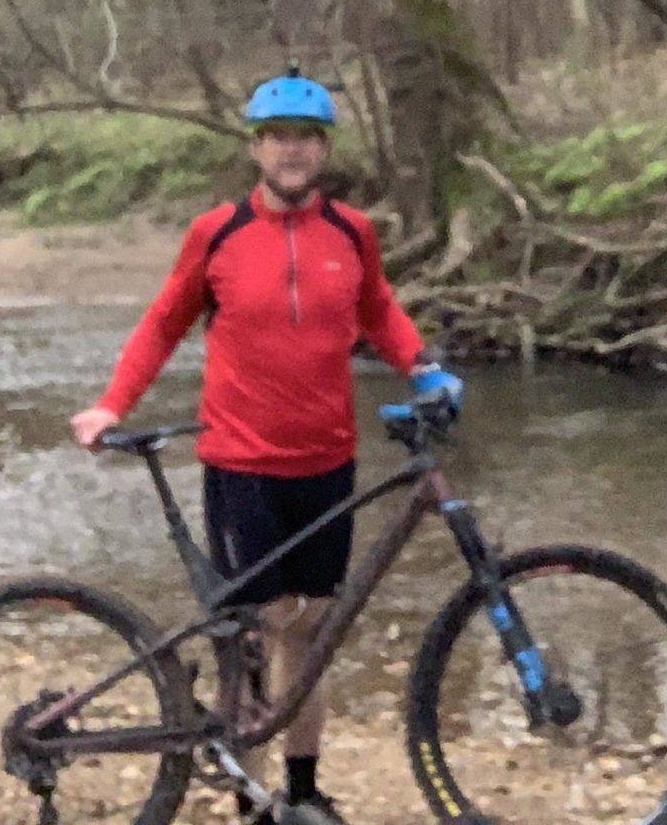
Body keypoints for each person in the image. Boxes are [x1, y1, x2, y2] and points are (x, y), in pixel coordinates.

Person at [71, 68, 461, 824]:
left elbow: (377, 308)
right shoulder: (215, 234)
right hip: (241, 460)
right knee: (255, 629)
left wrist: (422, 366)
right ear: (256, 147)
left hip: (327, 459)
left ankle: (304, 790)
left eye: (307, 138)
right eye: (279, 137)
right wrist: (111, 404)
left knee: (311, 629)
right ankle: (250, 798)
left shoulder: (352, 232)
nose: (293, 151)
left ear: (323, 150)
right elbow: (163, 323)